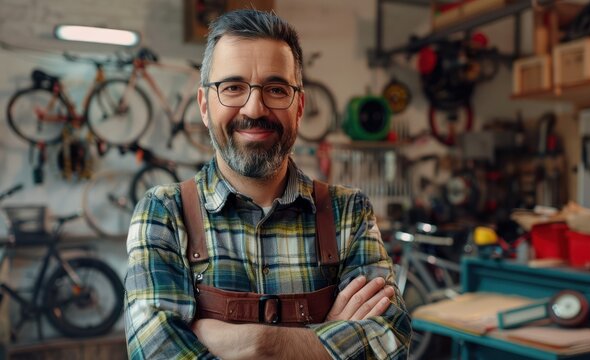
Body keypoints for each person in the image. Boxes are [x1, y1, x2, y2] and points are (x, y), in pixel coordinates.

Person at [124, 9, 411, 359]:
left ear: (300, 106)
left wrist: (262, 344)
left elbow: (391, 340)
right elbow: (152, 350)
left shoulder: (348, 213)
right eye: (232, 87)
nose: (255, 108)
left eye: (276, 89)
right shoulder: (164, 214)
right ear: (204, 104)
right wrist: (324, 341)